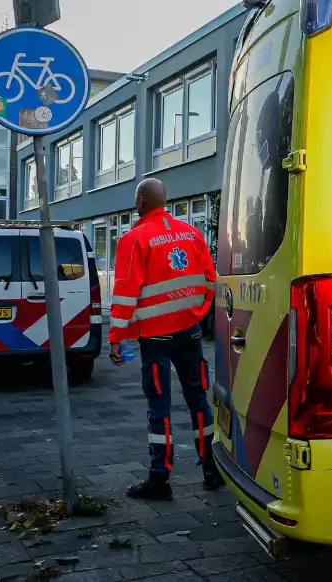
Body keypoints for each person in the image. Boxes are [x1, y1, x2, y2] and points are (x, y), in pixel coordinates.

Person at [108, 178, 222, 500]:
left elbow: (126, 292)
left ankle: (160, 478)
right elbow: (210, 279)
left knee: (159, 404)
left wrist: (116, 338)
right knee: (199, 399)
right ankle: (211, 468)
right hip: (190, 332)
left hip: (156, 337)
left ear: (142, 202)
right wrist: (197, 313)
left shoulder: (135, 239)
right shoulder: (192, 233)